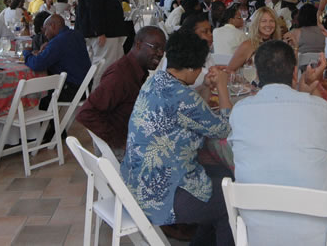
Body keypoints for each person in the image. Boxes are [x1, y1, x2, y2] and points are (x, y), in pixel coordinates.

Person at [229, 42, 327, 245]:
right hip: (320, 235)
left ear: (258, 75)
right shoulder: (320, 110)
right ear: (295, 72)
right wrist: (311, 92)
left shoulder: (240, 111)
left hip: (258, 234)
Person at [121, 30, 234, 246]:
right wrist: (222, 88)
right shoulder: (183, 98)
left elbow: (190, 111)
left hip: (137, 182)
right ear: (193, 68)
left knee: (221, 178)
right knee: (230, 200)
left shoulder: (155, 82)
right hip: (161, 194)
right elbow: (225, 130)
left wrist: (205, 89)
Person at [76, 27, 166, 159]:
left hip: (131, 137)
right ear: (138, 44)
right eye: (155, 47)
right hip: (118, 150)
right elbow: (86, 113)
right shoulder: (120, 75)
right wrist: (119, 141)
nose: (160, 53)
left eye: (163, 49)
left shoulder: (136, 70)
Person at [23, 14, 92, 109]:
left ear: (53, 26)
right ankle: (52, 123)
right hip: (86, 87)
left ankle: (48, 123)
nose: (45, 34)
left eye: (46, 30)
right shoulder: (75, 34)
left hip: (73, 90)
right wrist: (50, 45)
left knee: (39, 96)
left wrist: (26, 52)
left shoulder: (58, 42)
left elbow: (36, 64)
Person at [227, 7, 281, 71]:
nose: (268, 24)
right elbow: (229, 71)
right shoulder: (248, 45)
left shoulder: (278, 45)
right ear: (256, 24)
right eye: (263, 21)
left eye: (271, 21)